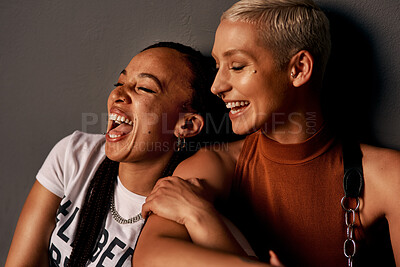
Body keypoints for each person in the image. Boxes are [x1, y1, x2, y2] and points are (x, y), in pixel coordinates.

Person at [133, 0, 400, 266]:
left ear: (298, 69)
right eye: (218, 67)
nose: (217, 86)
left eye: (237, 66)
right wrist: (200, 214)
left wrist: (200, 219)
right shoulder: (213, 165)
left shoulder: (388, 176)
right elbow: (149, 258)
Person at [5, 42, 241, 267]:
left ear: (187, 125)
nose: (119, 94)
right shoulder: (75, 155)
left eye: (145, 88)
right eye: (120, 82)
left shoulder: (186, 201)